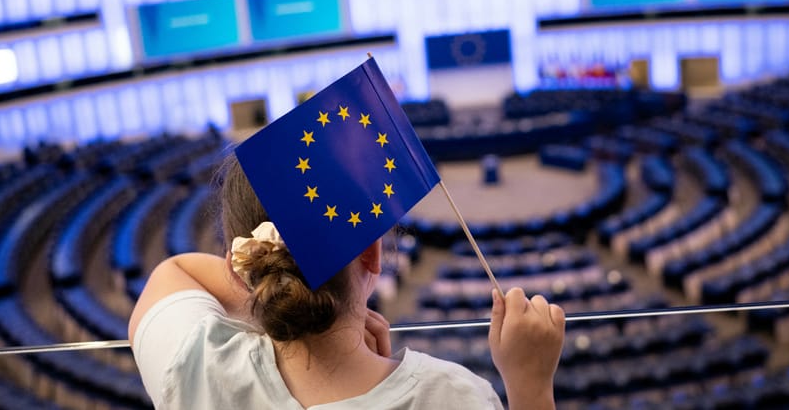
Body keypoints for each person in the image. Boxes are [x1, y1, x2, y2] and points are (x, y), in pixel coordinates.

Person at [130, 155, 566, 409]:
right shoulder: (456, 397)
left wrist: (270, 296)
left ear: (241, 267)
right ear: (372, 254)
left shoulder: (194, 367)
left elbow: (174, 272)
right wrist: (530, 386)